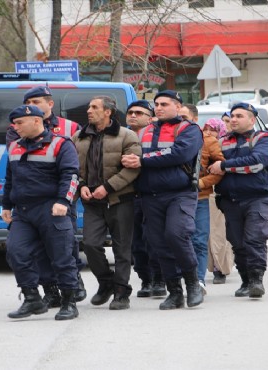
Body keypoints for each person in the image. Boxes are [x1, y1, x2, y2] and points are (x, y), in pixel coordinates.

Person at [121, 90, 204, 310]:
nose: (158, 107)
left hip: (180, 193)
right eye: (156, 104)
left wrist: (142, 160)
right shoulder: (144, 131)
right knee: (158, 244)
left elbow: (180, 154)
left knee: (176, 235)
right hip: (149, 195)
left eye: (164, 104)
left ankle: (193, 284)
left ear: (178, 106)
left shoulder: (189, 129)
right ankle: (175, 291)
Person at [6, 86, 87, 306]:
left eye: (36, 101)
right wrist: (6, 204)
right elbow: (12, 176)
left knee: (64, 252)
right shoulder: (15, 140)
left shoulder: (67, 133)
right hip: (24, 209)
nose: (15, 127)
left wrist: (64, 200)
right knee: (18, 252)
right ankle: (39, 296)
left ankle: (70, 295)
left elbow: (72, 172)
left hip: (55, 205)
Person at [73, 96, 141, 310]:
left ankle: (121, 292)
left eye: (94, 107)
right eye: (89, 106)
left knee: (122, 249)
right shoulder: (79, 137)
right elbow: (72, 167)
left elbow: (133, 168)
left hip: (120, 200)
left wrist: (108, 187)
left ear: (108, 112)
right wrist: (81, 185)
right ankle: (106, 282)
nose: (89, 111)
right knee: (91, 245)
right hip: (92, 202)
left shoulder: (126, 136)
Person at [209, 103, 268, 298]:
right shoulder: (222, 141)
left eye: (239, 116)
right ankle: (246, 280)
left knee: (255, 239)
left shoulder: (264, 139)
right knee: (237, 242)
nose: (234, 119)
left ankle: (257, 280)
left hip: (257, 197)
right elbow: (209, 165)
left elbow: (256, 163)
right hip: (229, 199)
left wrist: (223, 166)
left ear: (252, 119)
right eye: (232, 116)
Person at [179, 104, 223, 294]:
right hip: (174, 197)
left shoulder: (209, 141)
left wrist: (202, 183)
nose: (180, 121)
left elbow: (220, 168)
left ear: (195, 119)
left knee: (199, 239)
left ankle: (199, 281)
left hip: (200, 198)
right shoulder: (169, 138)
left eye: (184, 117)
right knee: (178, 239)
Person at [125, 100, 166, 298]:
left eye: (139, 113)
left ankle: (159, 278)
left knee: (154, 239)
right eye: (130, 112)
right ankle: (146, 280)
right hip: (128, 195)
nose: (133, 116)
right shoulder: (120, 135)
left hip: (151, 193)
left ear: (150, 118)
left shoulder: (156, 134)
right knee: (136, 243)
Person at [204, 118, 235, 285]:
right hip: (207, 193)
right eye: (206, 128)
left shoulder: (226, 146)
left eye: (213, 129)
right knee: (209, 233)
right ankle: (215, 266)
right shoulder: (202, 144)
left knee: (220, 233)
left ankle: (221, 268)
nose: (209, 132)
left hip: (222, 193)